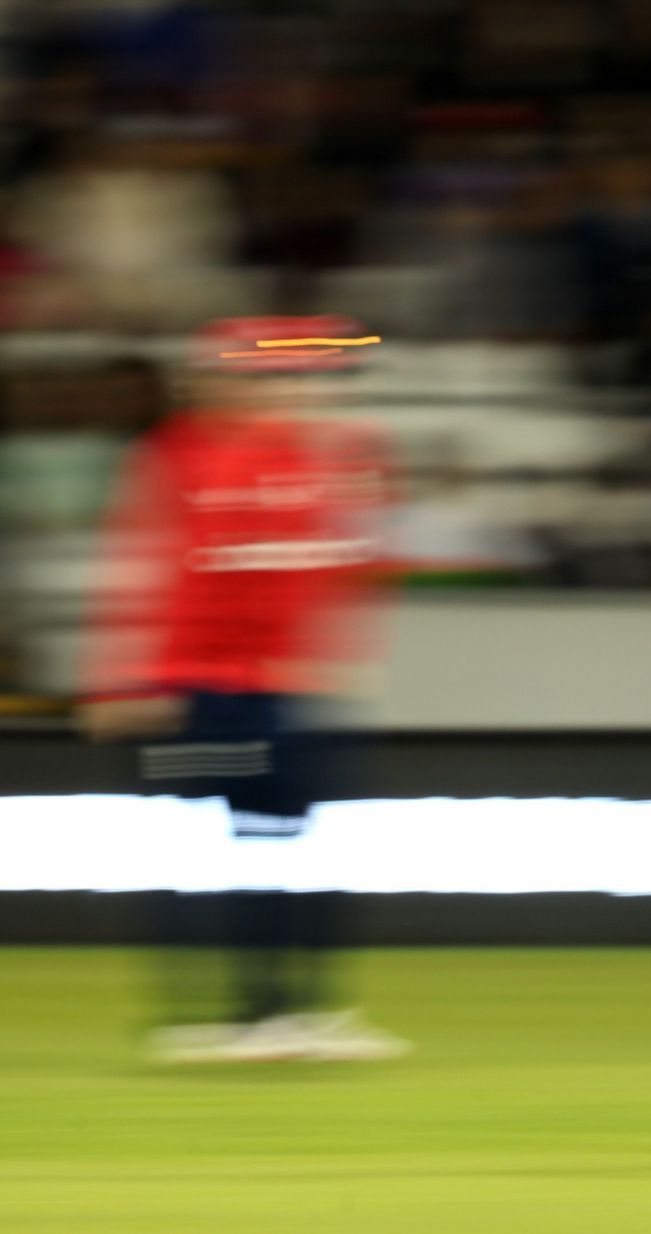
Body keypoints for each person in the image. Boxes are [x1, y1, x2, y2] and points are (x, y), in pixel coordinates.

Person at [78, 316, 409, 1064]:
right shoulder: (180, 455)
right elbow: (154, 571)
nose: (287, 390)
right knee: (233, 850)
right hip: (203, 690)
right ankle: (237, 1015)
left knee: (304, 849)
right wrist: (130, 680)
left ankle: (299, 1012)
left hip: (292, 690)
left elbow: (341, 568)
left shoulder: (330, 456)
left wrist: (339, 652)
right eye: (265, 376)